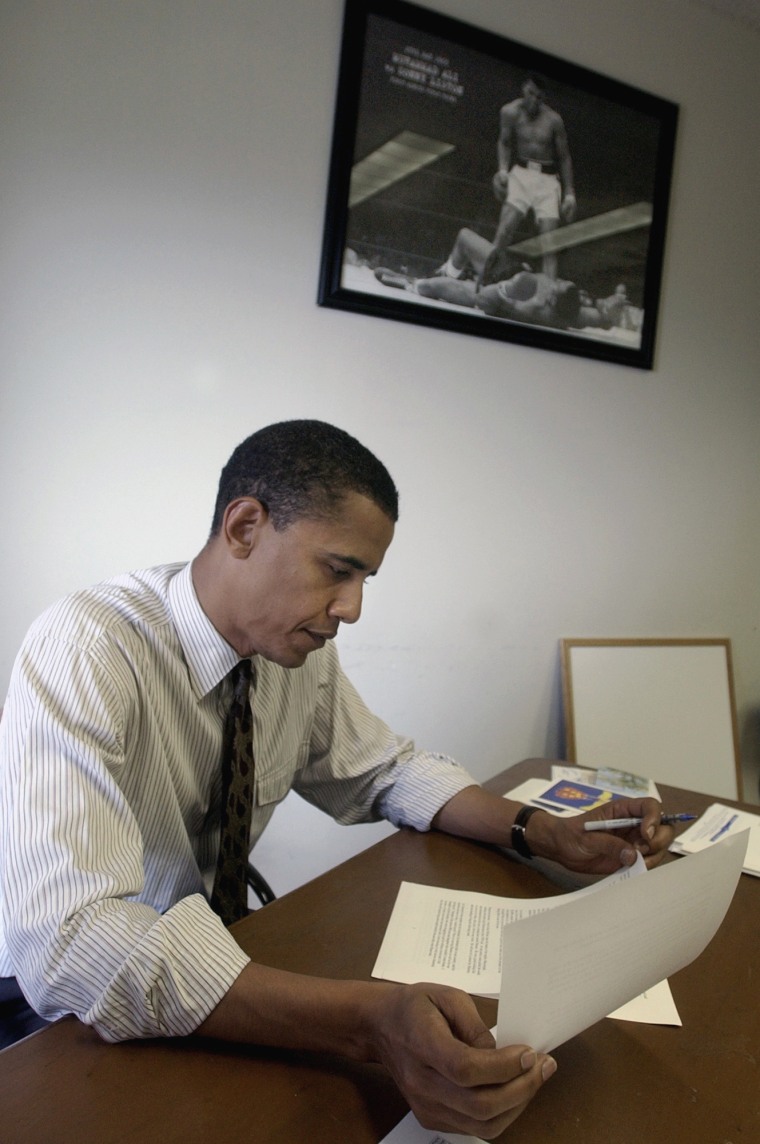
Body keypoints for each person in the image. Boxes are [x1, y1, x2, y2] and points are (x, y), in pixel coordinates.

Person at [0, 420, 673, 1139]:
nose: (351, 609)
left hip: (217, 965)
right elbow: (73, 945)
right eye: (338, 570)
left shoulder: (295, 654)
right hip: (55, 1014)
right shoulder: (90, 648)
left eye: (363, 580)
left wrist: (537, 830)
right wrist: (367, 1026)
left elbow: (387, 768)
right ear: (246, 526)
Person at [376, 227, 584, 331]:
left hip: (497, 290)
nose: (554, 283)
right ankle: (443, 273)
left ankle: (412, 284)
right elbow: (599, 317)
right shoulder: (573, 306)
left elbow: (486, 300)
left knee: (435, 287)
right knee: (464, 235)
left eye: (556, 288)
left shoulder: (534, 307)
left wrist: (505, 289)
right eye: (560, 282)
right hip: (509, 269)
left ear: (552, 301)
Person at [486, 74, 576, 283]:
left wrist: (570, 193)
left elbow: (564, 158)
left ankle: (548, 294)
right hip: (521, 173)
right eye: (531, 94)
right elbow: (504, 142)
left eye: (539, 97)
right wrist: (502, 169)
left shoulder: (554, 120)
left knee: (549, 242)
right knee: (505, 229)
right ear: (524, 90)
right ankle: (484, 281)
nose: (534, 100)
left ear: (544, 97)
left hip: (547, 179)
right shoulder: (509, 112)